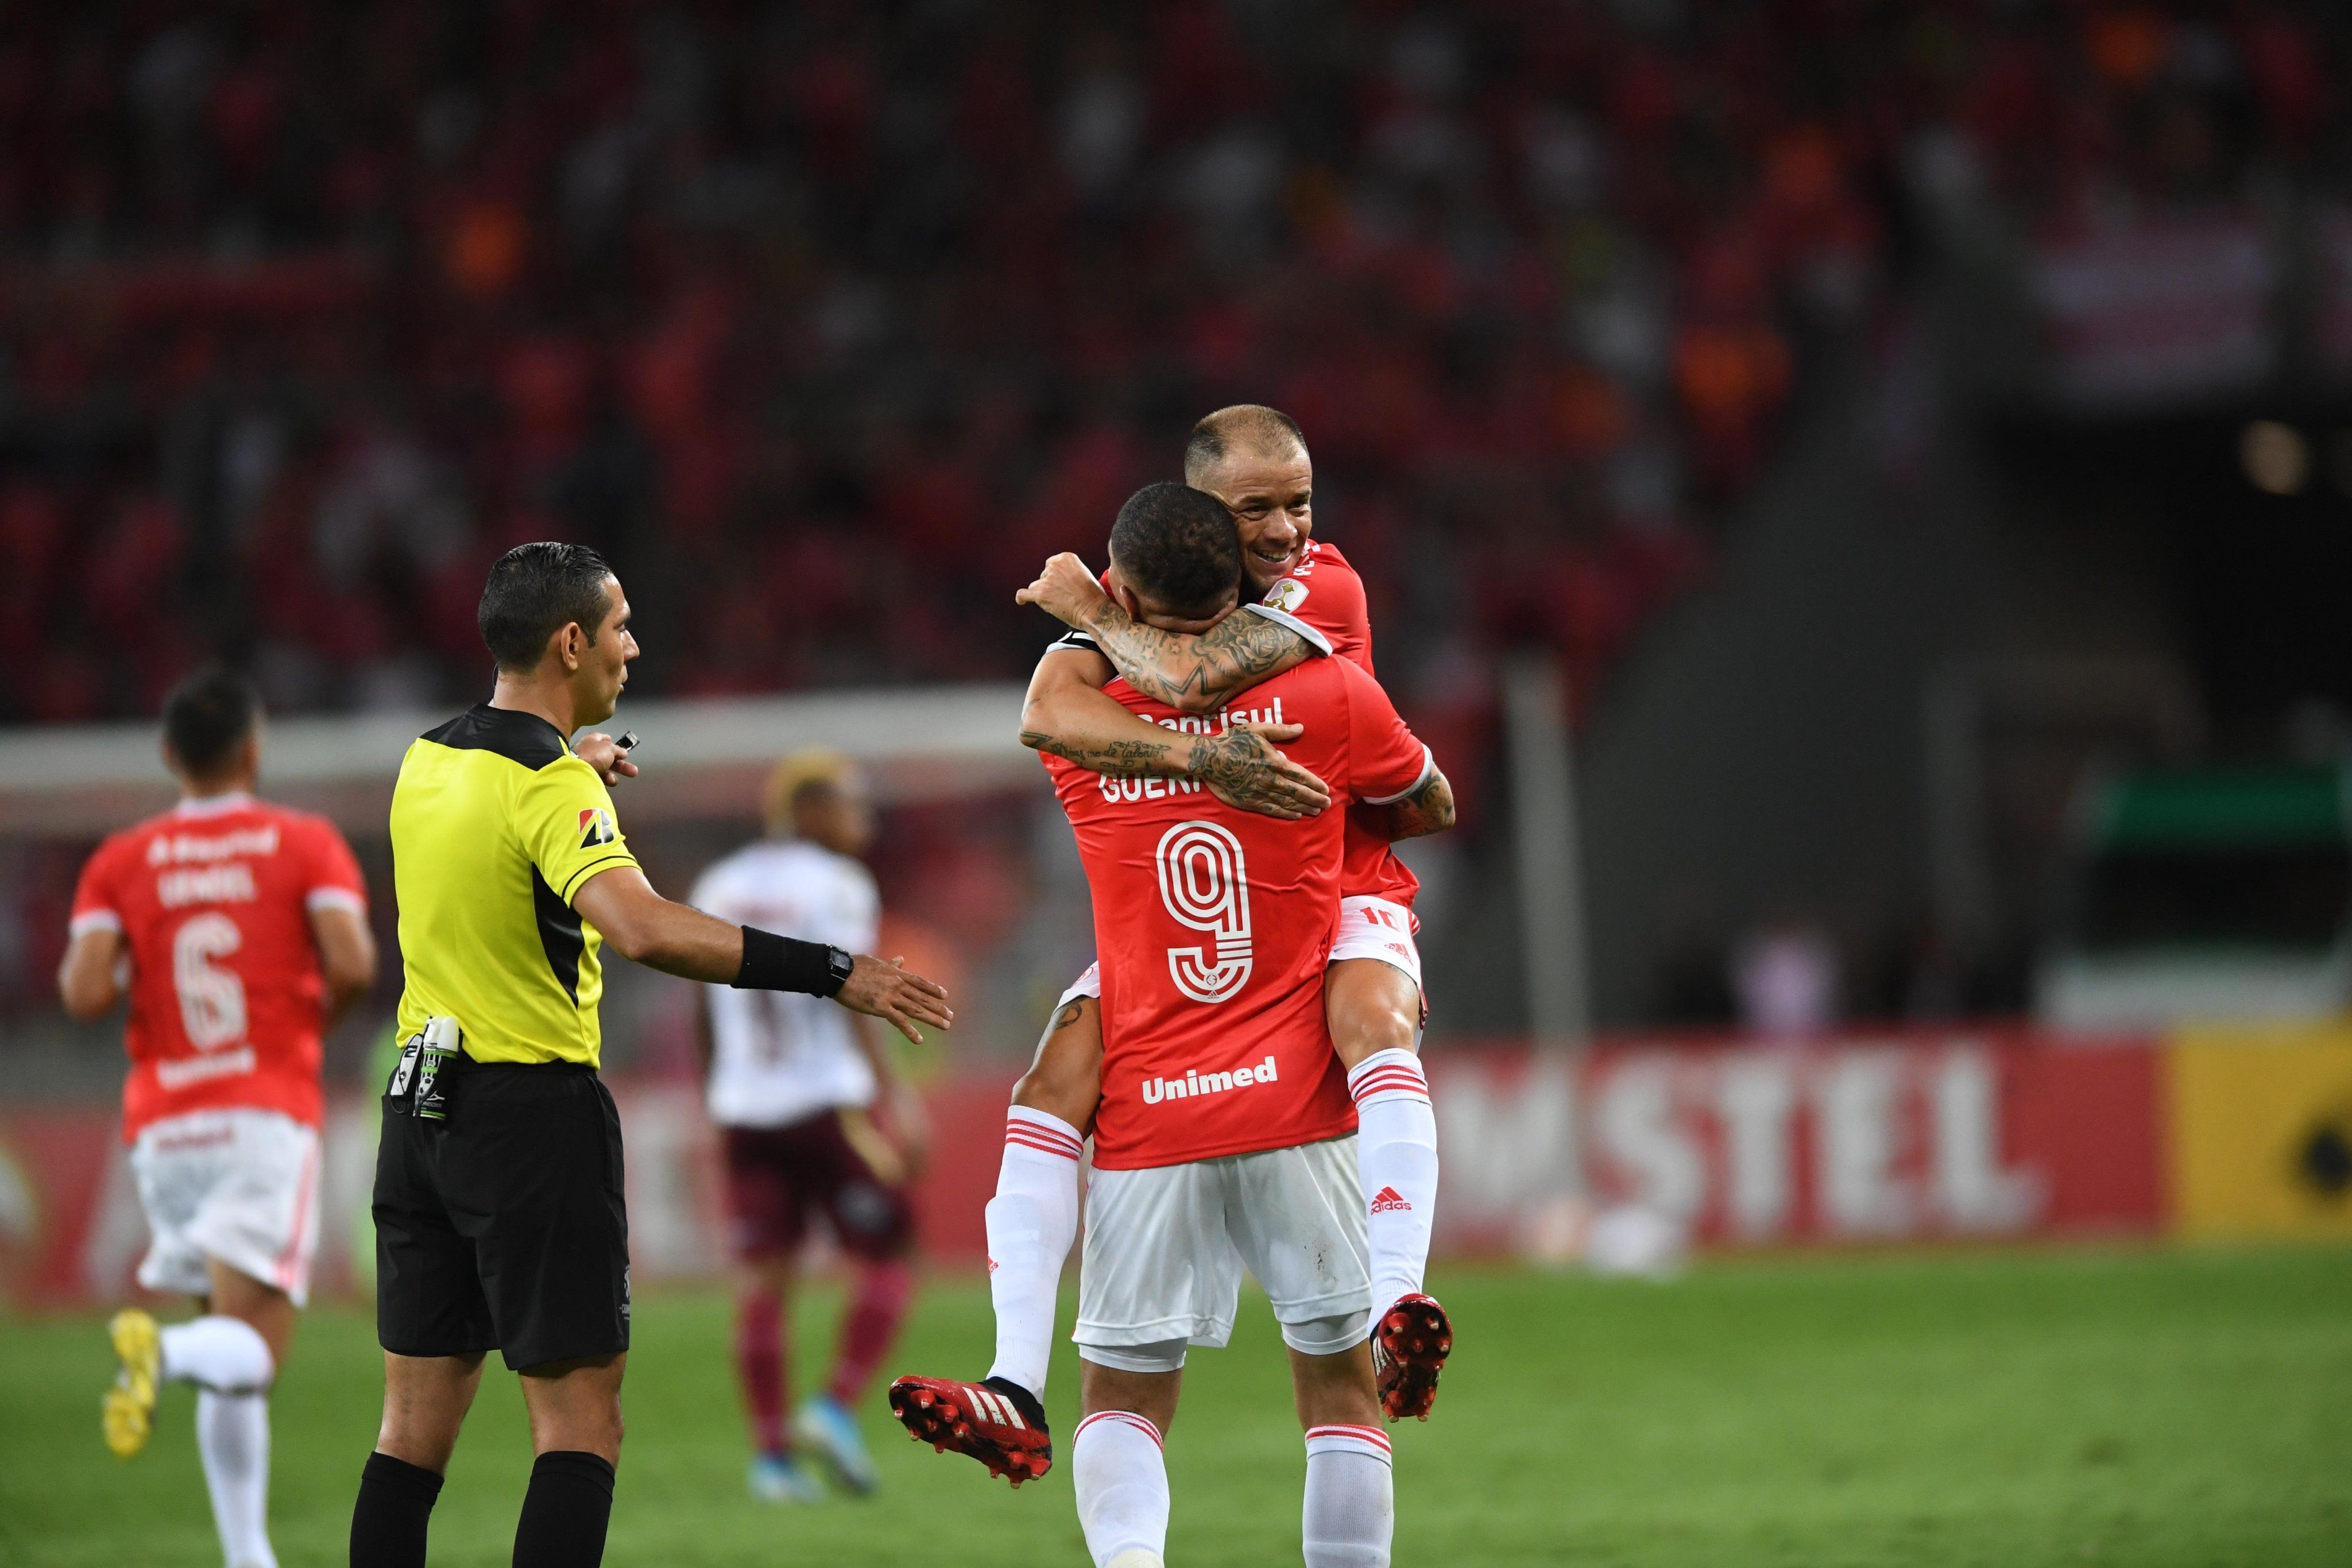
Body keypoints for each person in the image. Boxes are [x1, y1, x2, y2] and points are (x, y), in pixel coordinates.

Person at [349, 541, 951, 1568]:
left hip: (420, 1121)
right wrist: (834, 970)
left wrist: (572, 764)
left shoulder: (431, 757)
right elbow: (645, 929)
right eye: (621, 626)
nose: (635, 646)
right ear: (571, 641)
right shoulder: (550, 788)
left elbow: (498, 826)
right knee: (582, 1425)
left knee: (412, 1431)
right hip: (527, 1121)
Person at [895, 406, 1452, 1492]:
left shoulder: (1321, 592)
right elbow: (1067, 704)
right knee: (1057, 1069)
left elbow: (1183, 677)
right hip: (1207, 924)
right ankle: (1012, 1384)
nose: (1289, 528)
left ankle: (1400, 1295)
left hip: (1334, 894)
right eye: (1258, 510)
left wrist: (1091, 613)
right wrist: (1155, 696)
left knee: (1368, 1017)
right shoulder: (1146, 601)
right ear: (1204, 511)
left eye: (1300, 500)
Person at [63, 666, 377, 1568]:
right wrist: (304, 1017)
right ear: (253, 748)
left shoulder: (121, 860)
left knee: (228, 1353)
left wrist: (145, 981)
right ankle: (156, 1352)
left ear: (169, 754)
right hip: (262, 1112)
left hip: (164, 1127)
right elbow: (354, 960)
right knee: (250, 1350)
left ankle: (248, 1556)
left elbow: (83, 991)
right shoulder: (302, 842)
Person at [688, 751, 929, 1502]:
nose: (865, 821)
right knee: (891, 1251)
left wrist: (717, 1089)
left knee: (763, 1280)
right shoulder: (838, 885)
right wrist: (900, 1102)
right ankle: (832, 1406)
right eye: (853, 806)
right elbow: (855, 992)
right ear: (814, 811)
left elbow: (699, 1000)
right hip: (827, 1102)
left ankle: (772, 1461)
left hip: (745, 1110)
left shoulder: (719, 883)